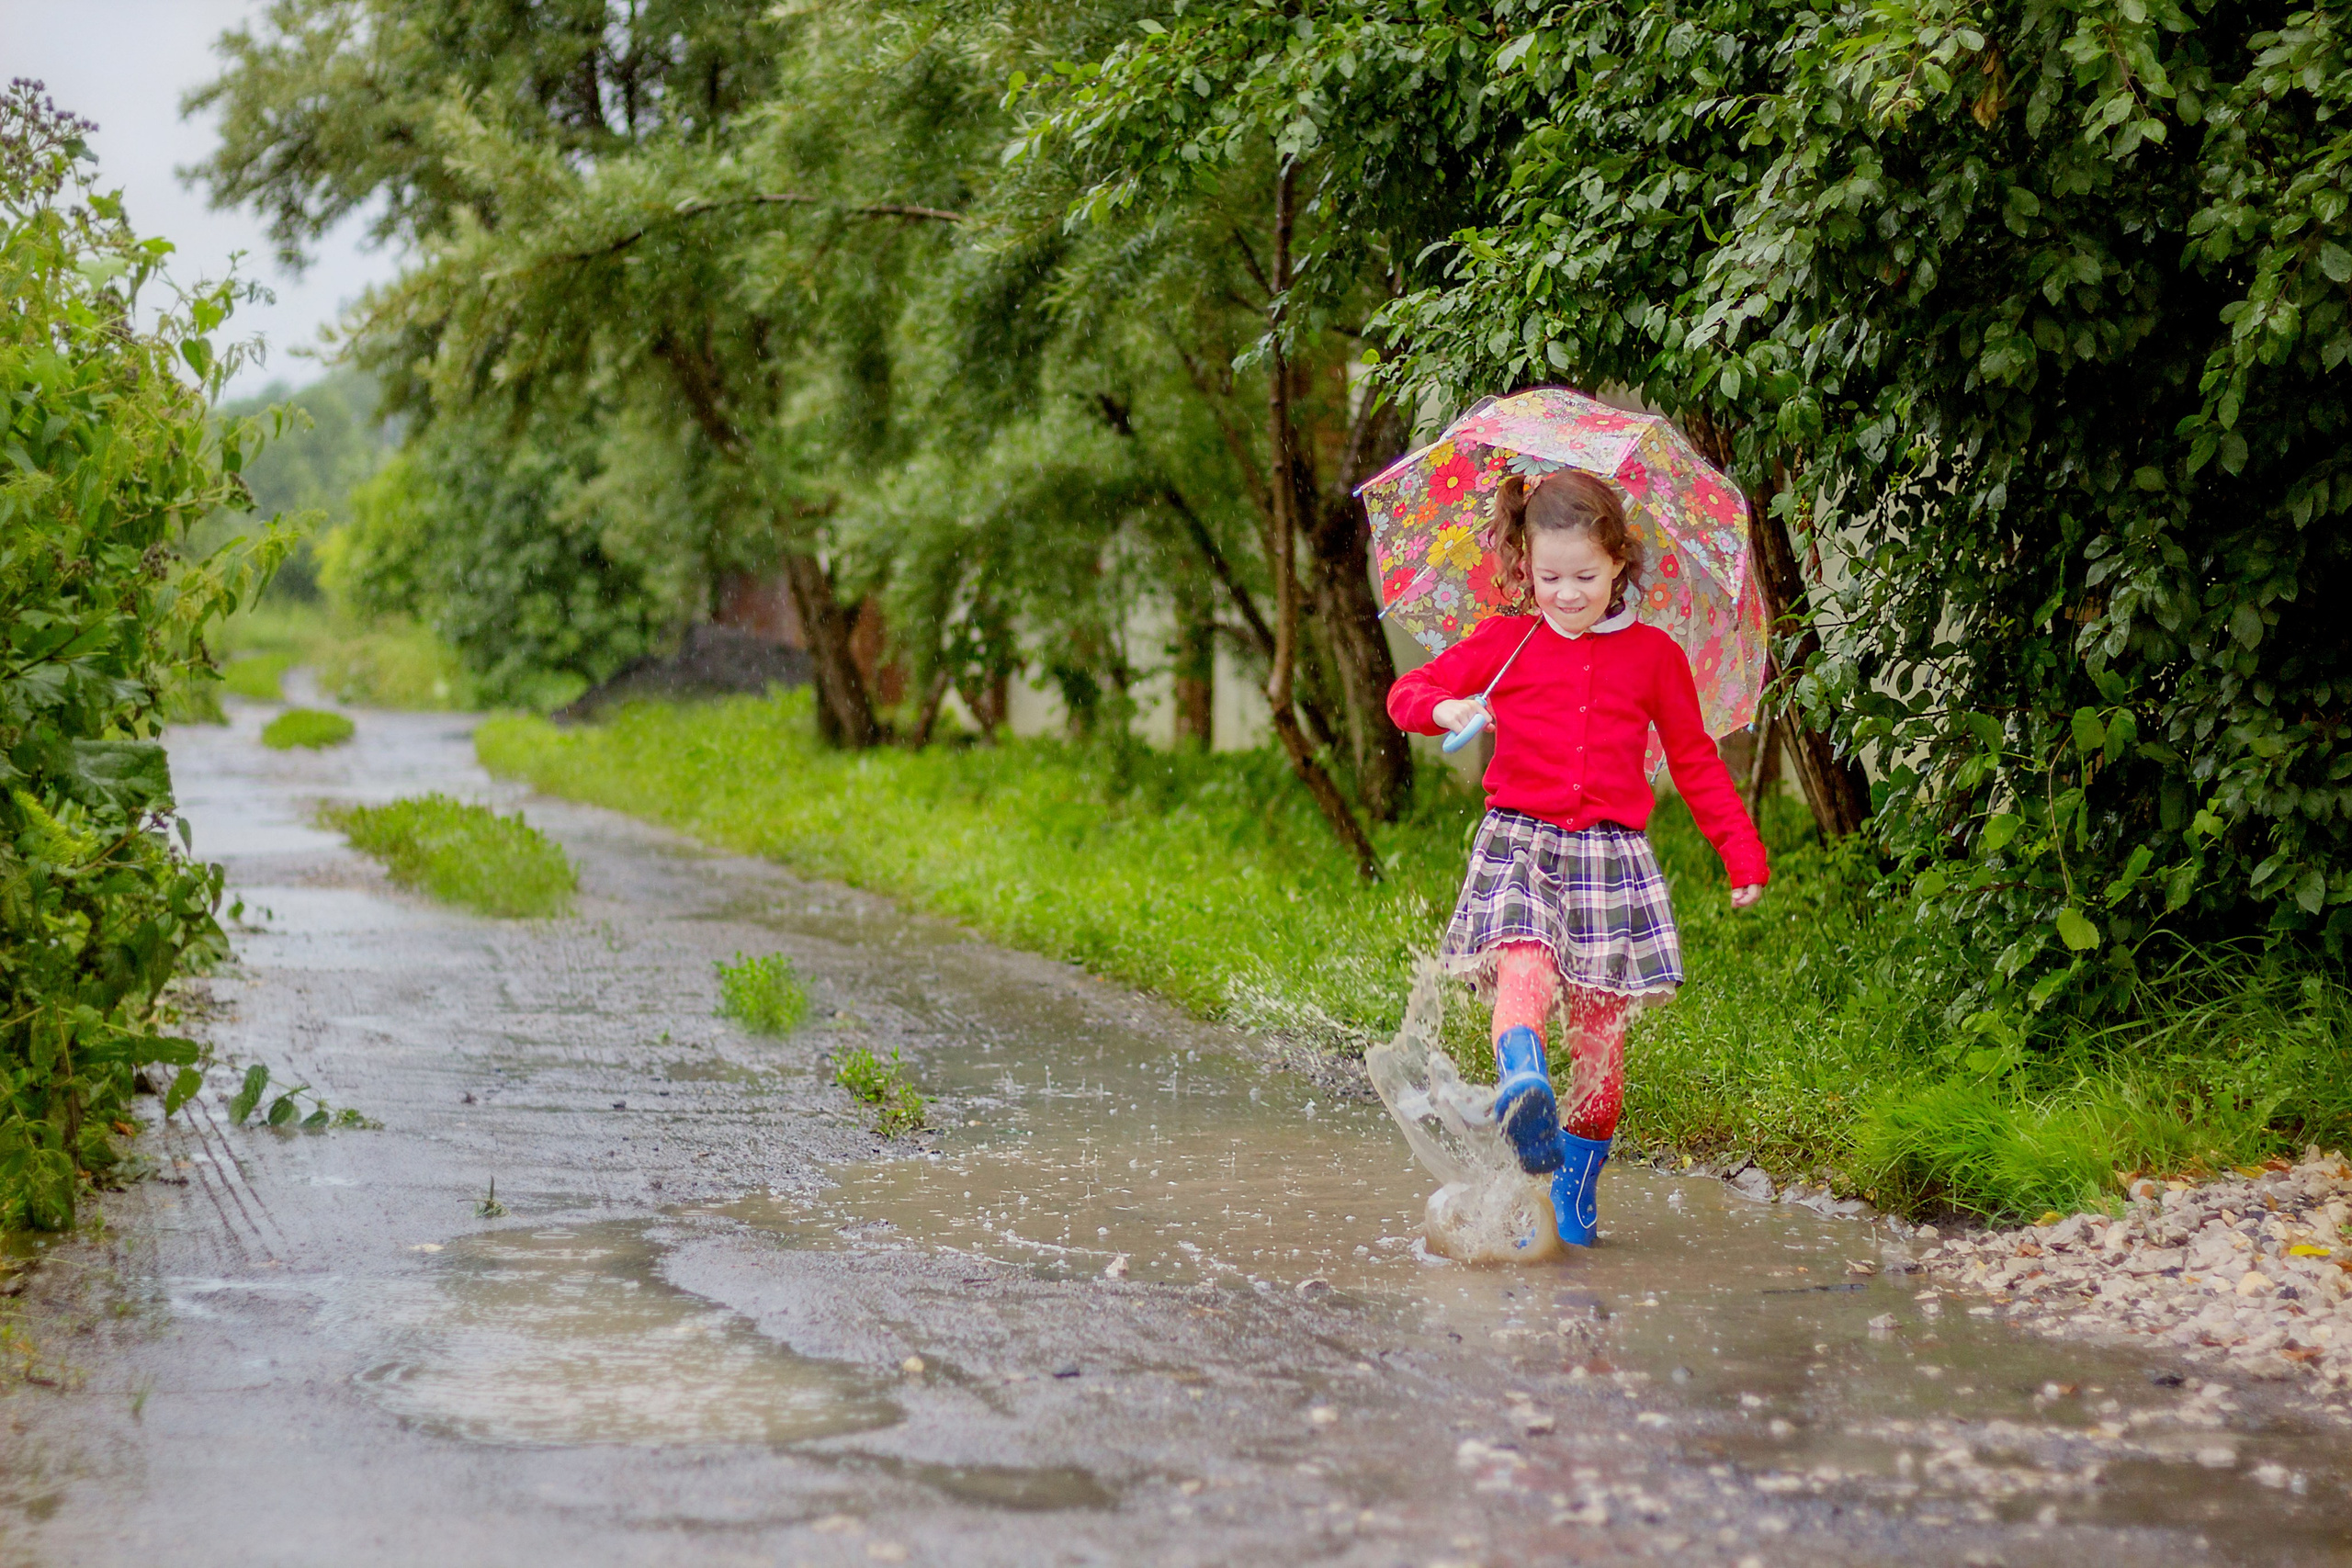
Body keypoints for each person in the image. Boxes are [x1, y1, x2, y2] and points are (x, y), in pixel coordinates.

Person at [1385, 468, 1768, 1247]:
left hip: (1610, 859)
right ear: (1525, 564)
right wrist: (1447, 703)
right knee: (1523, 968)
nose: (1565, 593)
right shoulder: (1504, 641)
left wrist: (1742, 852)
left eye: (1585, 576)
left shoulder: (1656, 657)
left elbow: (1694, 761)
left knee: (1600, 1042)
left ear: (1620, 563)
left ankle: (1576, 1190)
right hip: (1521, 842)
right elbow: (1407, 693)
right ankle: (1523, 1079)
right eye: (1549, 575)